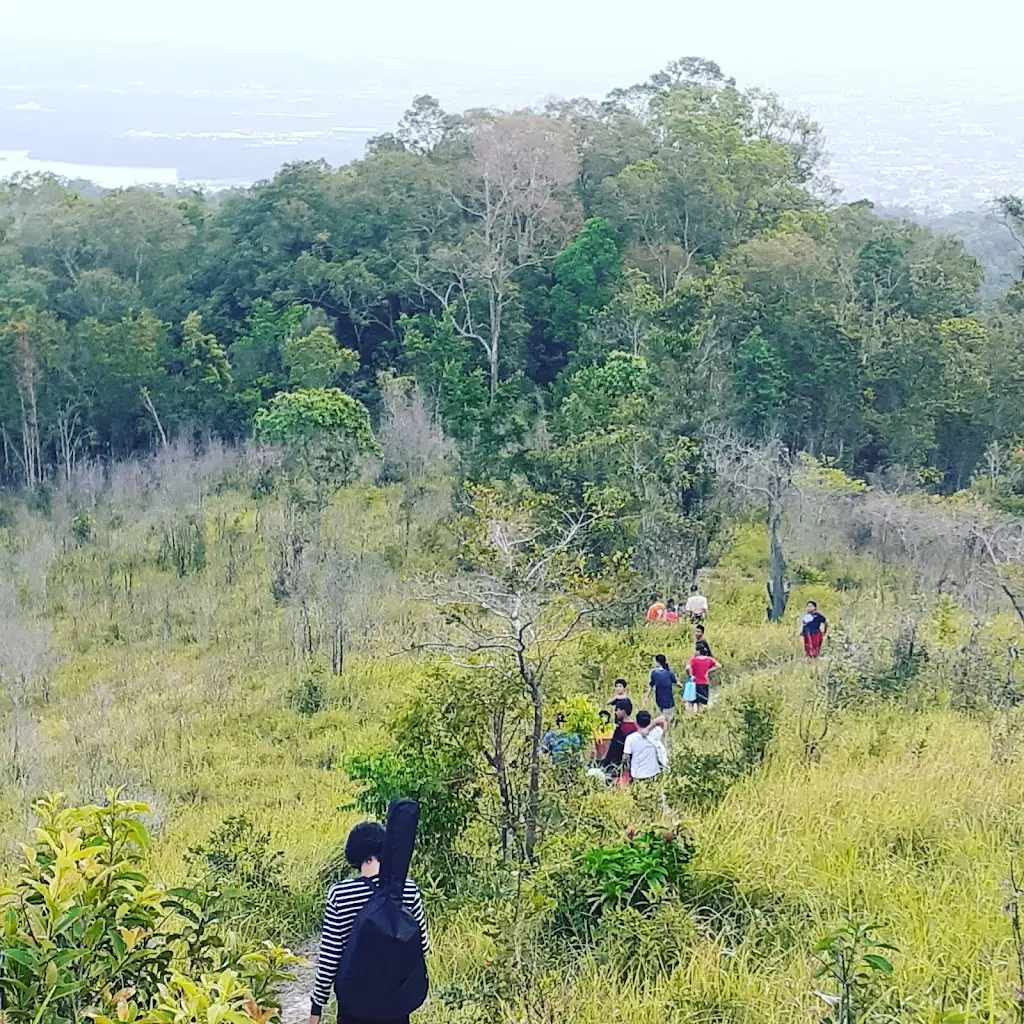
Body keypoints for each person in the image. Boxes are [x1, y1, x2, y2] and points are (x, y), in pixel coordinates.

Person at [309, 821, 429, 1024]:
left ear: (354, 854)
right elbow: (423, 946)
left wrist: (316, 1009)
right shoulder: (407, 889)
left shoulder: (340, 894)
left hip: (354, 1006)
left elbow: (329, 960)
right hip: (396, 1003)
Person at [623, 710, 669, 782]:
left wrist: (627, 769)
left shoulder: (631, 738)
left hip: (637, 775)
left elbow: (625, 757)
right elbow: (663, 719)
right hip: (653, 773)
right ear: (649, 722)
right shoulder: (656, 733)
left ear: (636, 722)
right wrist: (649, 727)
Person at [600, 698, 638, 775]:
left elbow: (614, 749)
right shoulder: (636, 727)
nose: (616, 712)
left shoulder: (621, 728)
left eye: (618, 710)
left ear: (623, 711)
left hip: (618, 765)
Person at [686, 639, 720, 710]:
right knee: (702, 703)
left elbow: (687, 667)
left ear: (698, 651)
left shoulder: (693, 659)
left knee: (691, 702)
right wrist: (708, 671)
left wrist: (690, 674)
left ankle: (690, 717)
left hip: (695, 683)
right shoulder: (709, 659)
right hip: (704, 682)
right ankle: (701, 717)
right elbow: (718, 665)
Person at [646, 653, 678, 722]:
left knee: (663, 715)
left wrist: (646, 696)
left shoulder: (654, 673)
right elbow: (676, 682)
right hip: (668, 698)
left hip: (659, 698)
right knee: (667, 717)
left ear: (657, 662)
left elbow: (651, 685)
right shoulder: (669, 672)